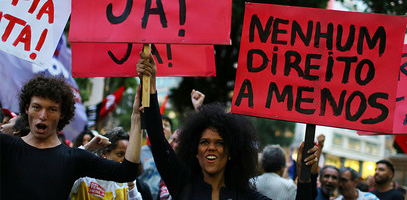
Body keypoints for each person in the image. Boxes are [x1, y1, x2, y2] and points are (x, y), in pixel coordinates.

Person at [137, 52, 320, 199]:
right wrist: (151, 83)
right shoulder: (182, 183)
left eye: (220, 143)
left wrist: (306, 176)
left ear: (232, 152)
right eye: (204, 142)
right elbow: (158, 140)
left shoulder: (244, 196)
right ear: (195, 149)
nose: (211, 148)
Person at [0, 75, 142, 200]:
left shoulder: (75, 158)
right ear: (26, 109)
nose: (42, 116)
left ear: (62, 114)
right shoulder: (6, 146)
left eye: (52, 109)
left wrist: (136, 119)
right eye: (36, 107)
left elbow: (127, 172)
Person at [70, 127, 142, 200]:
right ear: (104, 153)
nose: (124, 160)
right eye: (120, 154)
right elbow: (64, 170)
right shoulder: (84, 178)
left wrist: (131, 185)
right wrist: (87, 147)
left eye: (126, 156)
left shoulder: (127, 183)